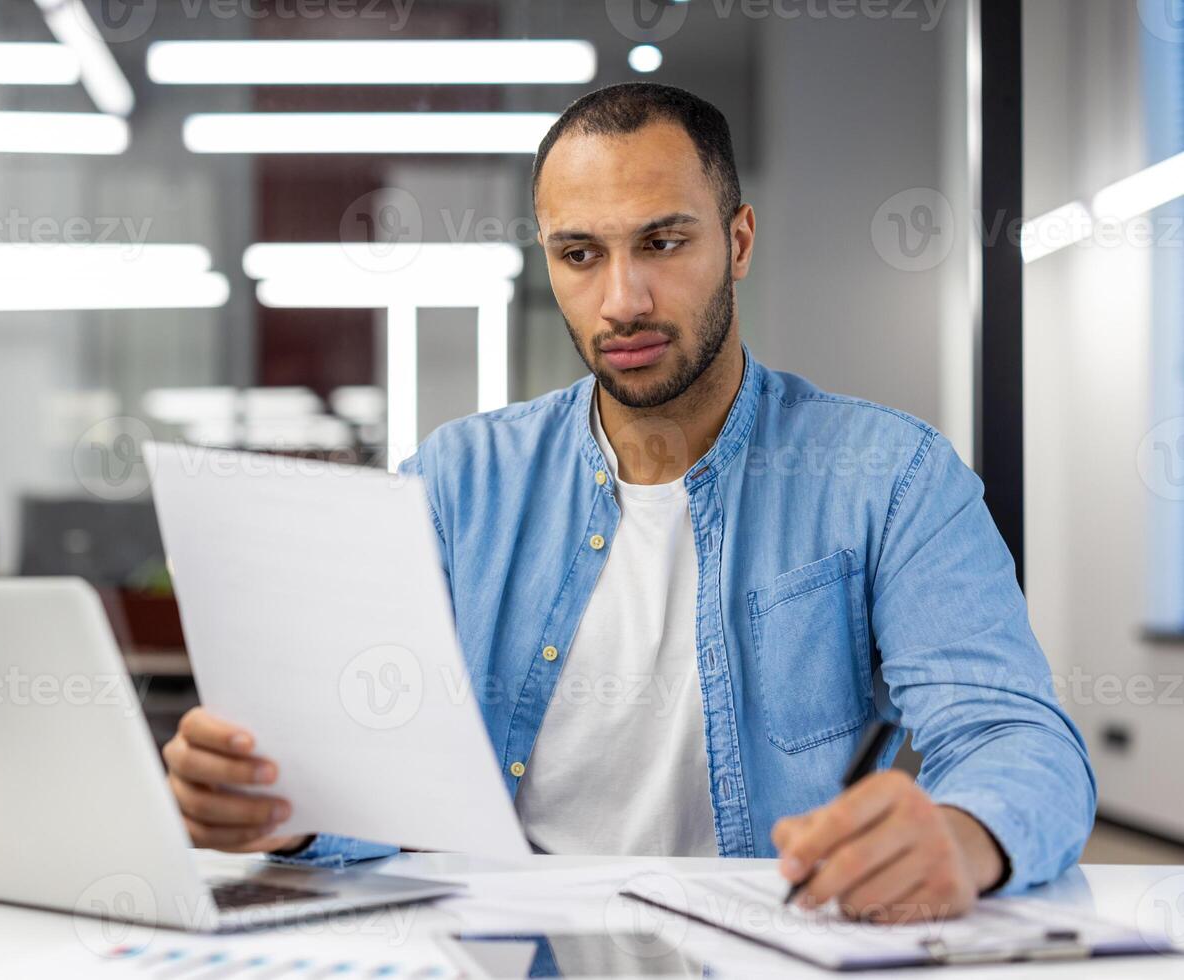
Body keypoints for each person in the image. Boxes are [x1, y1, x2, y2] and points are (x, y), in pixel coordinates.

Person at [162, 82, 1095, 922]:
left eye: (662, 241)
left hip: (767, 942)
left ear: (736, 241)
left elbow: (1013, 735)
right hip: (502, 942)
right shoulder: (454, 482)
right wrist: (278, 814)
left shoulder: (887, 476)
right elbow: (374, 787)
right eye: (579, 254)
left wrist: (969, 833)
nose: (622, 299)